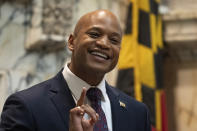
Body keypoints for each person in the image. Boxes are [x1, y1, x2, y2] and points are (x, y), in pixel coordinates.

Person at [0, 10, 151, 131]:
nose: (104, 44)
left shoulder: (137, 112)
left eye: (114, 40)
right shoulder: (26, 106)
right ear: (72, 42)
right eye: (94, 34)